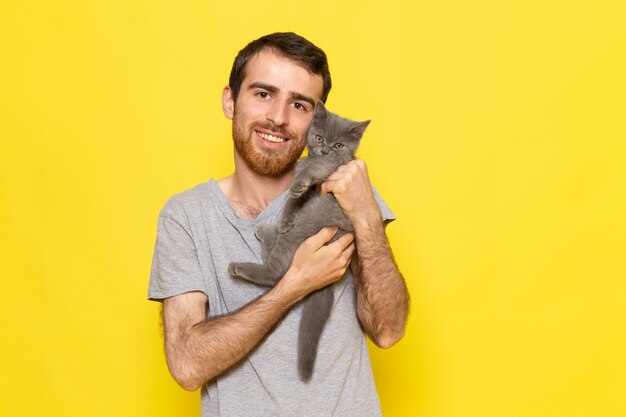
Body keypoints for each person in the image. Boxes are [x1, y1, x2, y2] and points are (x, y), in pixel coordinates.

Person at [148, 32, 410, 416]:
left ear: (315, 120)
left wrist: (367, 216)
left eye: (299, 104)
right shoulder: (187, 216)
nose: (278, 118)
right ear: (230, 100)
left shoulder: (344, 191)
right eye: (263, 94)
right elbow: (188, 366)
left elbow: (388, 330)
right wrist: (294, 285)